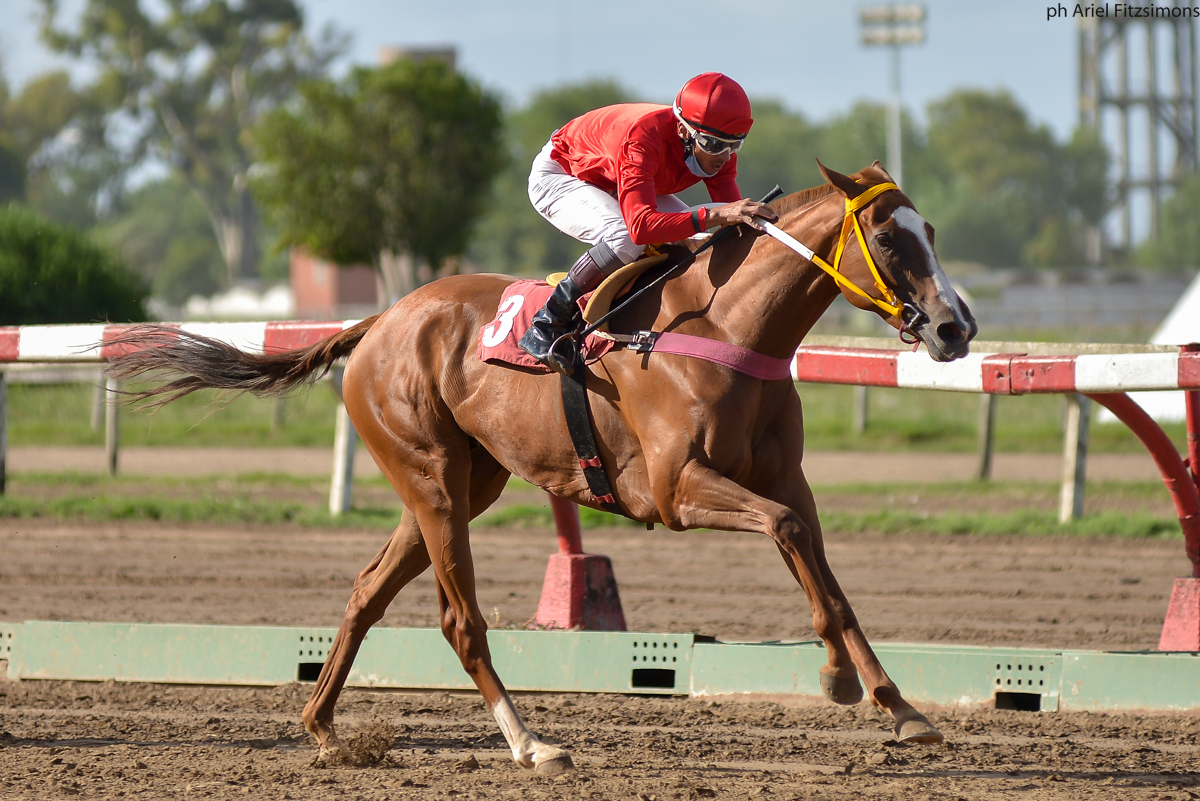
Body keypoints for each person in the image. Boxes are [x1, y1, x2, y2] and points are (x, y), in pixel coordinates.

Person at [518, 72, 778, 374]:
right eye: (712, 144)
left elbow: (731, 220)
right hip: (562, 174)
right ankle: (548, 322)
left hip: (614, 176)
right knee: (625, 237)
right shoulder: (643, 138)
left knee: (696, 237)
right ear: (683, 130)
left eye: (734, 145)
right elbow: (641, 227)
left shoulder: (717, 146)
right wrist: (720, 215)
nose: (723, 155)